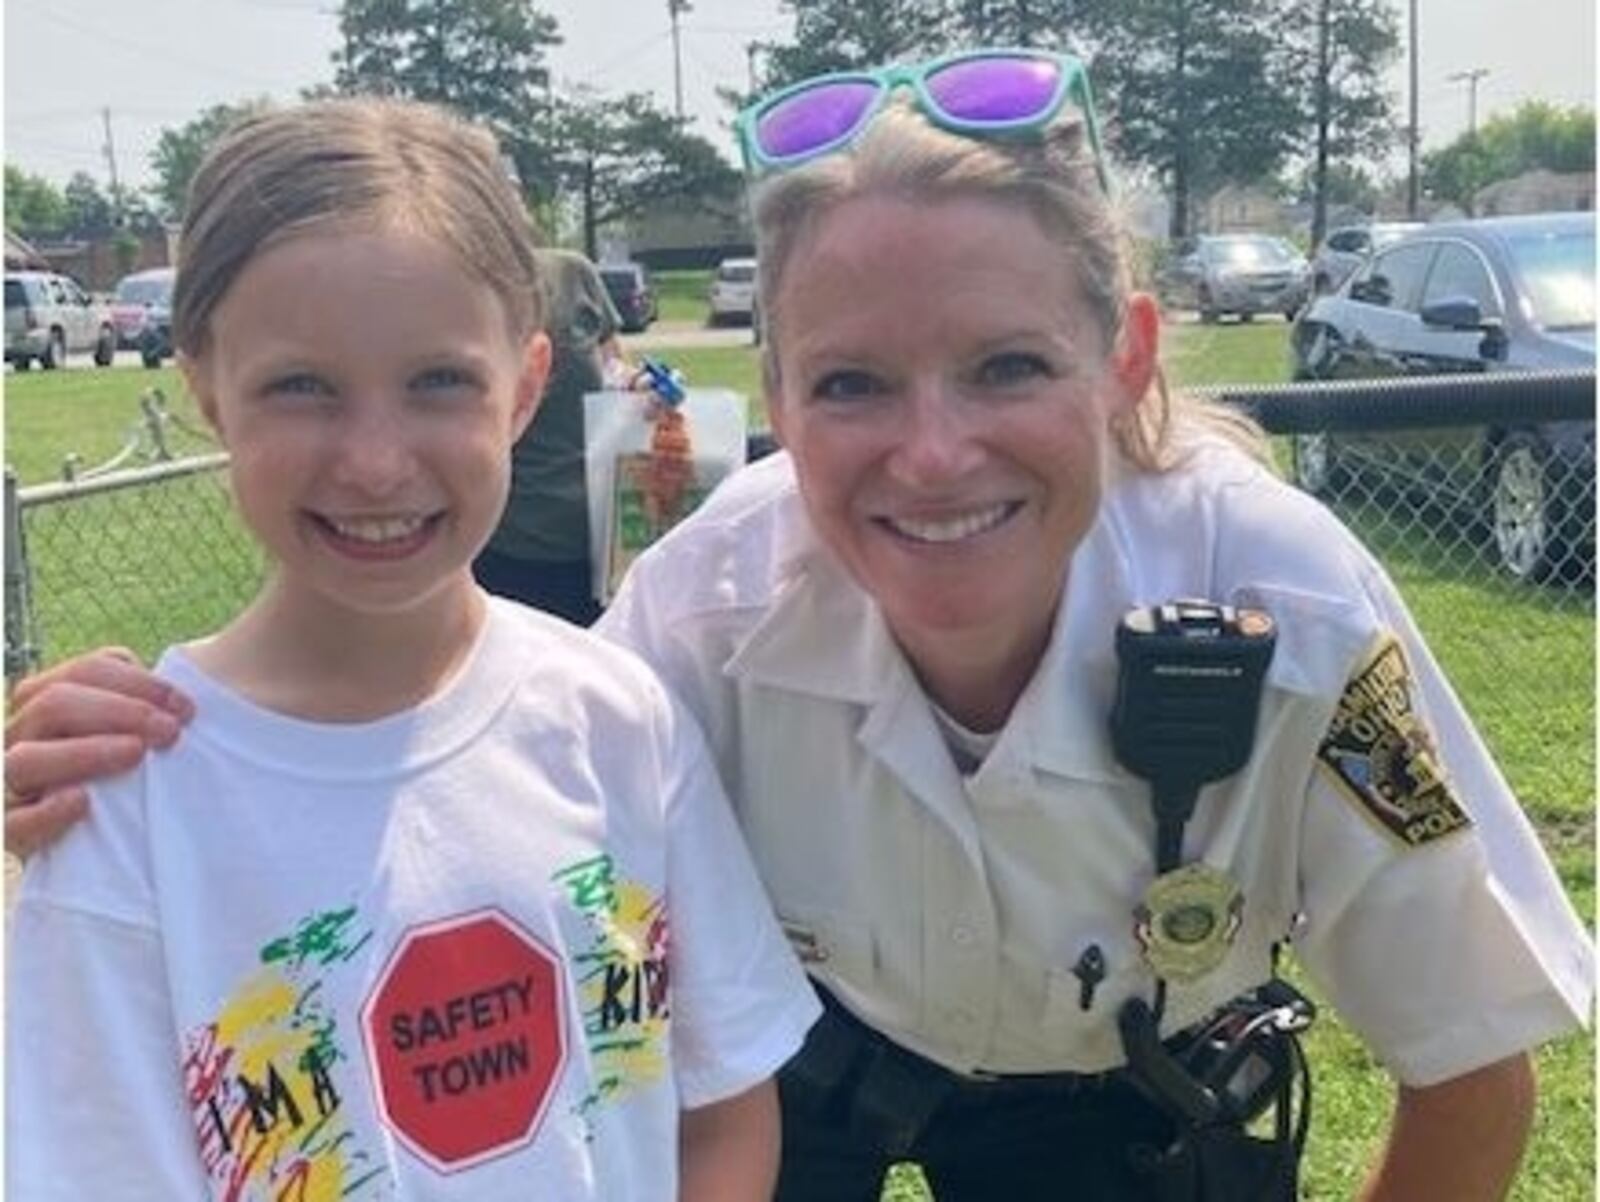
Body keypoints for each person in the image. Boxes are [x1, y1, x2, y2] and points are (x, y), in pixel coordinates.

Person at [6, 48, 1592, 1202]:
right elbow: (473, 768)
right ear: (774, 400)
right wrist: (88, 755)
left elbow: (1468, 1067)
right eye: (848, 383)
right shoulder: (696, 615)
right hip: (811, 1076)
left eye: (1008, 367)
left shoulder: (1291, 607)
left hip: (1125, 1087)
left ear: (1126, 363)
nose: (933, 451)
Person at [3, 96, 819, 1201]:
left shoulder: (615, 721)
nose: (377, 462)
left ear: (525, 387)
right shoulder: (125, 804)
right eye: (302, 387)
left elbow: (719, 1108)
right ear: (204, 389)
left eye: (439, 380)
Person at [472, 246, 629, 625]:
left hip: (604, 539)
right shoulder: (463, 286)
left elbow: (614, 366)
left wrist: (639, 387)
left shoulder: (572, 273)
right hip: (511, 545)